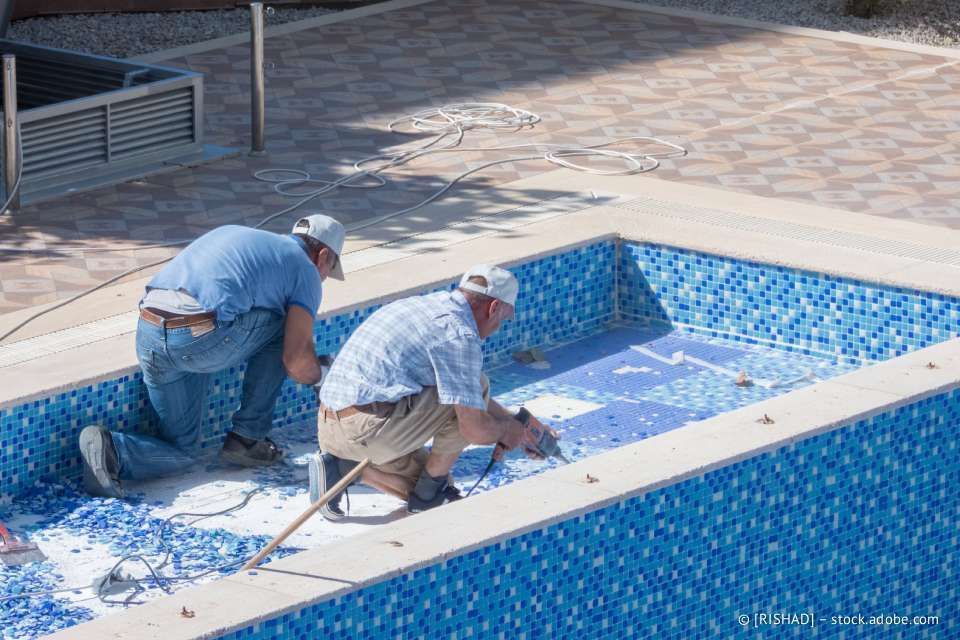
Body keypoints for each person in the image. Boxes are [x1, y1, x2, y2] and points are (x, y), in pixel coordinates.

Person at [78, 214, 345, 498]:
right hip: (197, 339)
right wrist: (324, 378)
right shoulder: (304, 269)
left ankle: (111, 448)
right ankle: (247, 438)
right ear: (323, 255)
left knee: (183, 452)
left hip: (149, 333)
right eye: (330, 268)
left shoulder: (240, 233)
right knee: (285, 328)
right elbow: (296, 361)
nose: (325, 277)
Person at [312, 264, 556, 518]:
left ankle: (341, 467)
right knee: (474, 391)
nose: (497, 328)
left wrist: (520, 425)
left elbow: (463, 391)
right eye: (503, 319)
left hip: (331, 425)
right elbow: (474, 427)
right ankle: (428, 494)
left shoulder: (423, 306)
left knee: (441, 494)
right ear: (493, 308)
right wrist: (506, 431)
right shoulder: (458, 337)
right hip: (367, 431)